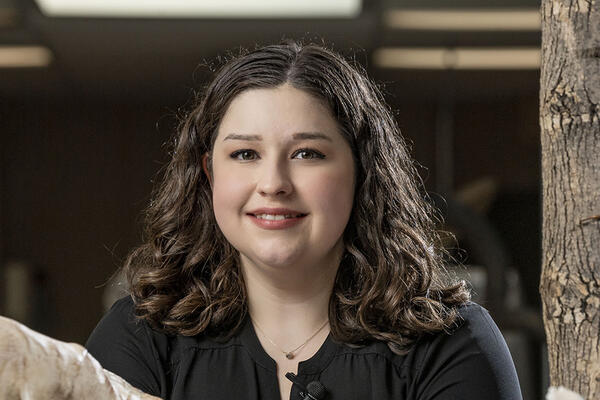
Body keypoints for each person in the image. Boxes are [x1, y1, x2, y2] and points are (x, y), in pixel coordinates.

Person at [86, 40, 523, 400]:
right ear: (209, 173)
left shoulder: (451, 344)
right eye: (245, 154)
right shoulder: (139, 338)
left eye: (307, 154)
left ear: (361, 171)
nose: (274, 183)